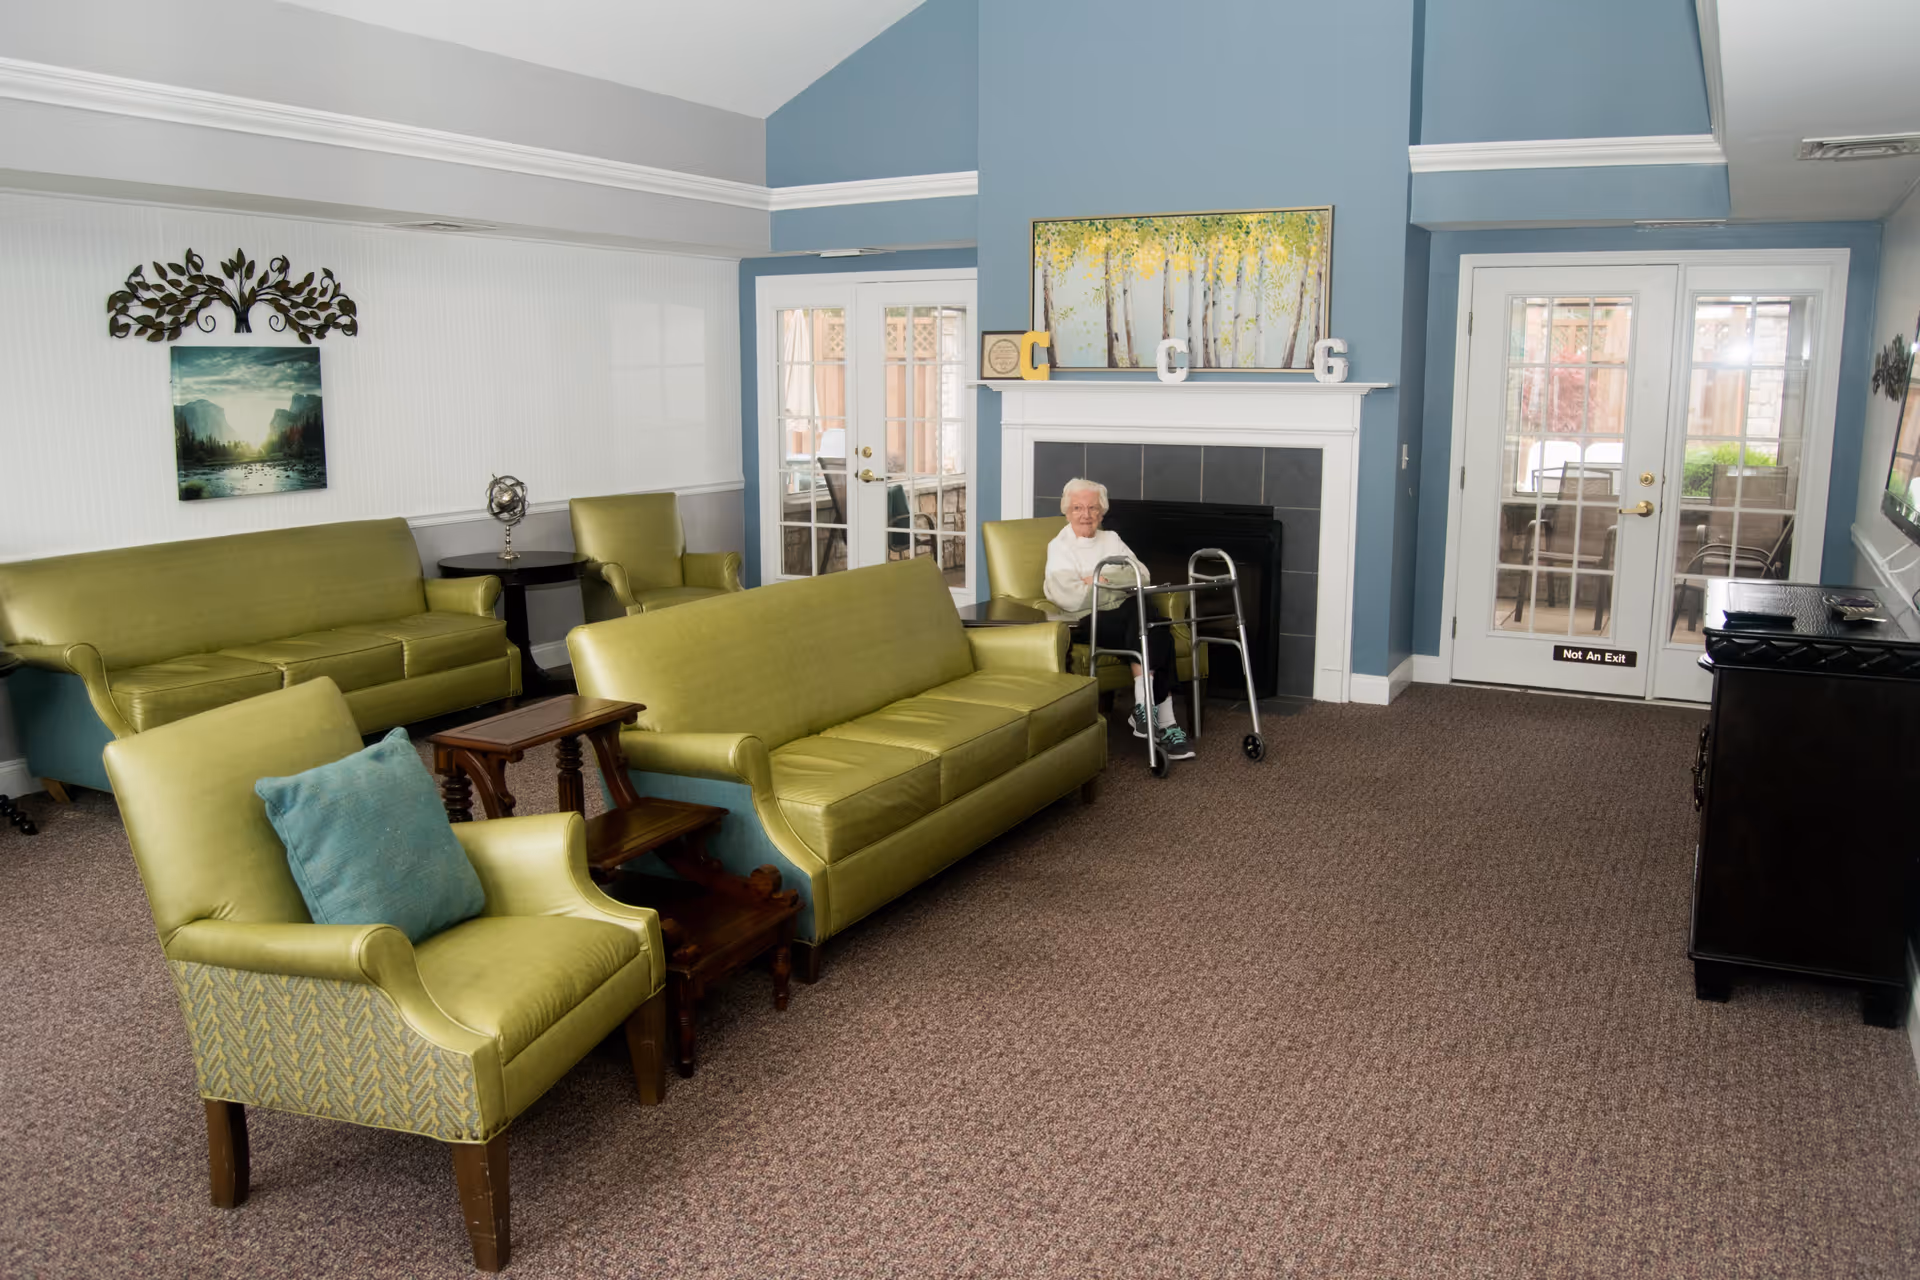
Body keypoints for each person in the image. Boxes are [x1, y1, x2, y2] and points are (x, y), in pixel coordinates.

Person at [1042, 478, 1194, 760]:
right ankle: (1166, 722)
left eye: (1092, 508)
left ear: (1102, 512)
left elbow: (1142, 575)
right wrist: (1117, 583)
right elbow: (1070, 597)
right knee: (1149, 620)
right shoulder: (1059, 547)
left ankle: (1146, 709)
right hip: (1087, 620)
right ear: (1067, 511)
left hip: (1126, 617)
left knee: (1148, 622)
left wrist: (1096, 579)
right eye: (1078, 508)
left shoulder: (1111, 539)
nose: (1086, 514)